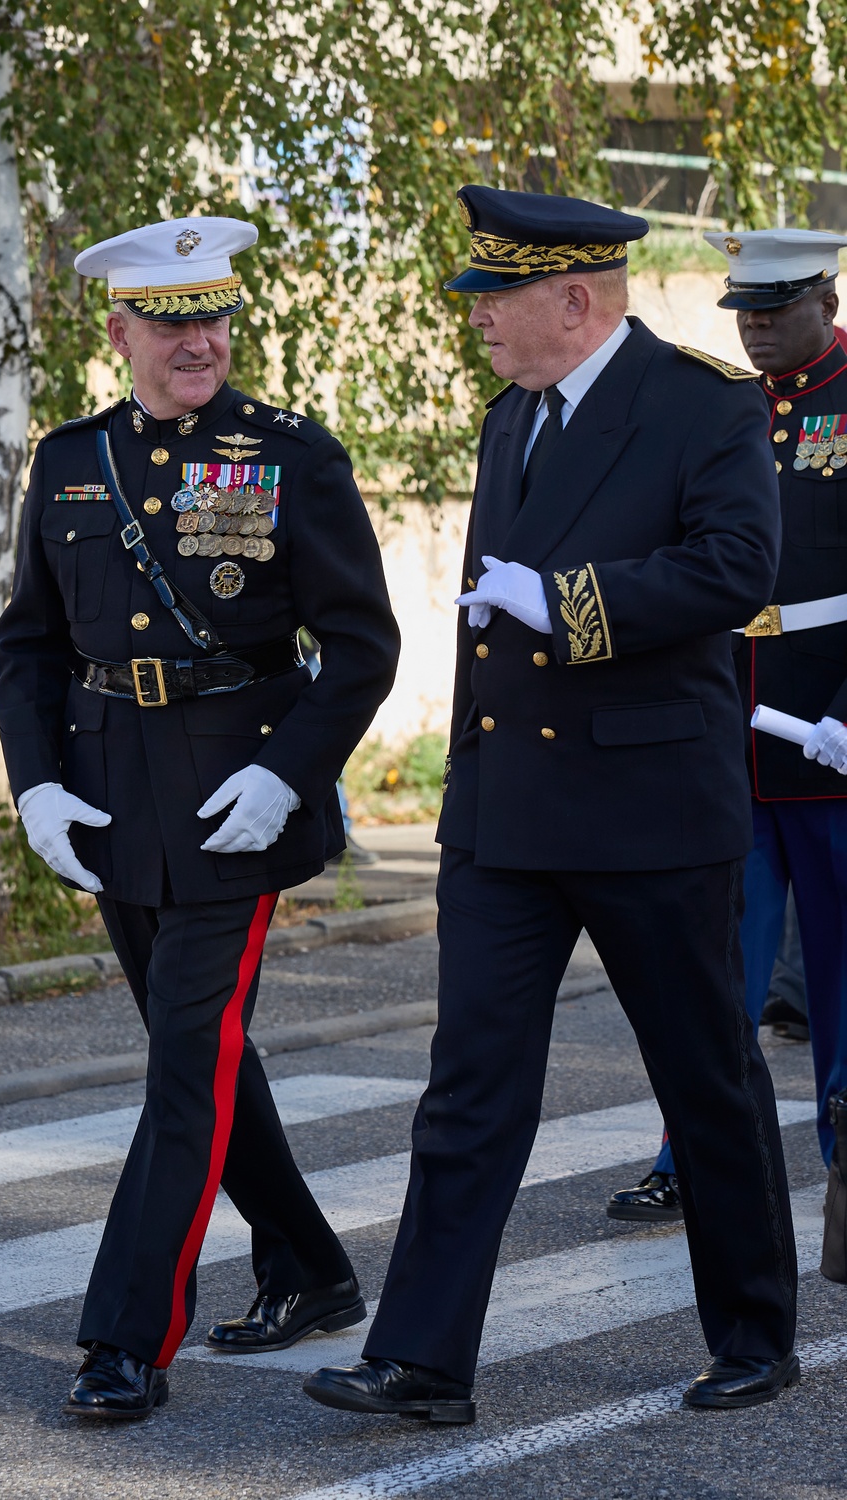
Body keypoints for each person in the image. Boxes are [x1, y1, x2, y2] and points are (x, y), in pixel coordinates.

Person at [303, 185, 799, 1422]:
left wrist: (571, 602)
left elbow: (736, 567)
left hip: (647, 810)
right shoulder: (508, 417)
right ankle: (421, 1359)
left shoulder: (702, 408)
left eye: (494, 299)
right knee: (468, 1086)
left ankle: (752, 1331)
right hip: (508, 815)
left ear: (572, 301)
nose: (476, 320)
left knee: (703, 1078)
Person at [0, 217, 399, 1419]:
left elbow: (364, 646)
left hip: (236, 798)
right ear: (118, 331)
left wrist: (288, 770)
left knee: (182, 1067)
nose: (197, 342)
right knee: (203, 1054)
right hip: (110, 792)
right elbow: (27, 645)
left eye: (213, 318)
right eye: (170, 323)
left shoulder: (291, 457)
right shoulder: (69, 460)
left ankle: (126, 1339)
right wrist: (37, 783)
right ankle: (313, 1268)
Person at [610, 229, 847, 1224]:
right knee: (707, 967)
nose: (753, 327)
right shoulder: (718, 408)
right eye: (742, 310)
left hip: (829, 728)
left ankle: (844, 1153)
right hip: (726, 722)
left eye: (774, 308)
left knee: (837, 973)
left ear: (825, 296)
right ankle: (694, 1151)